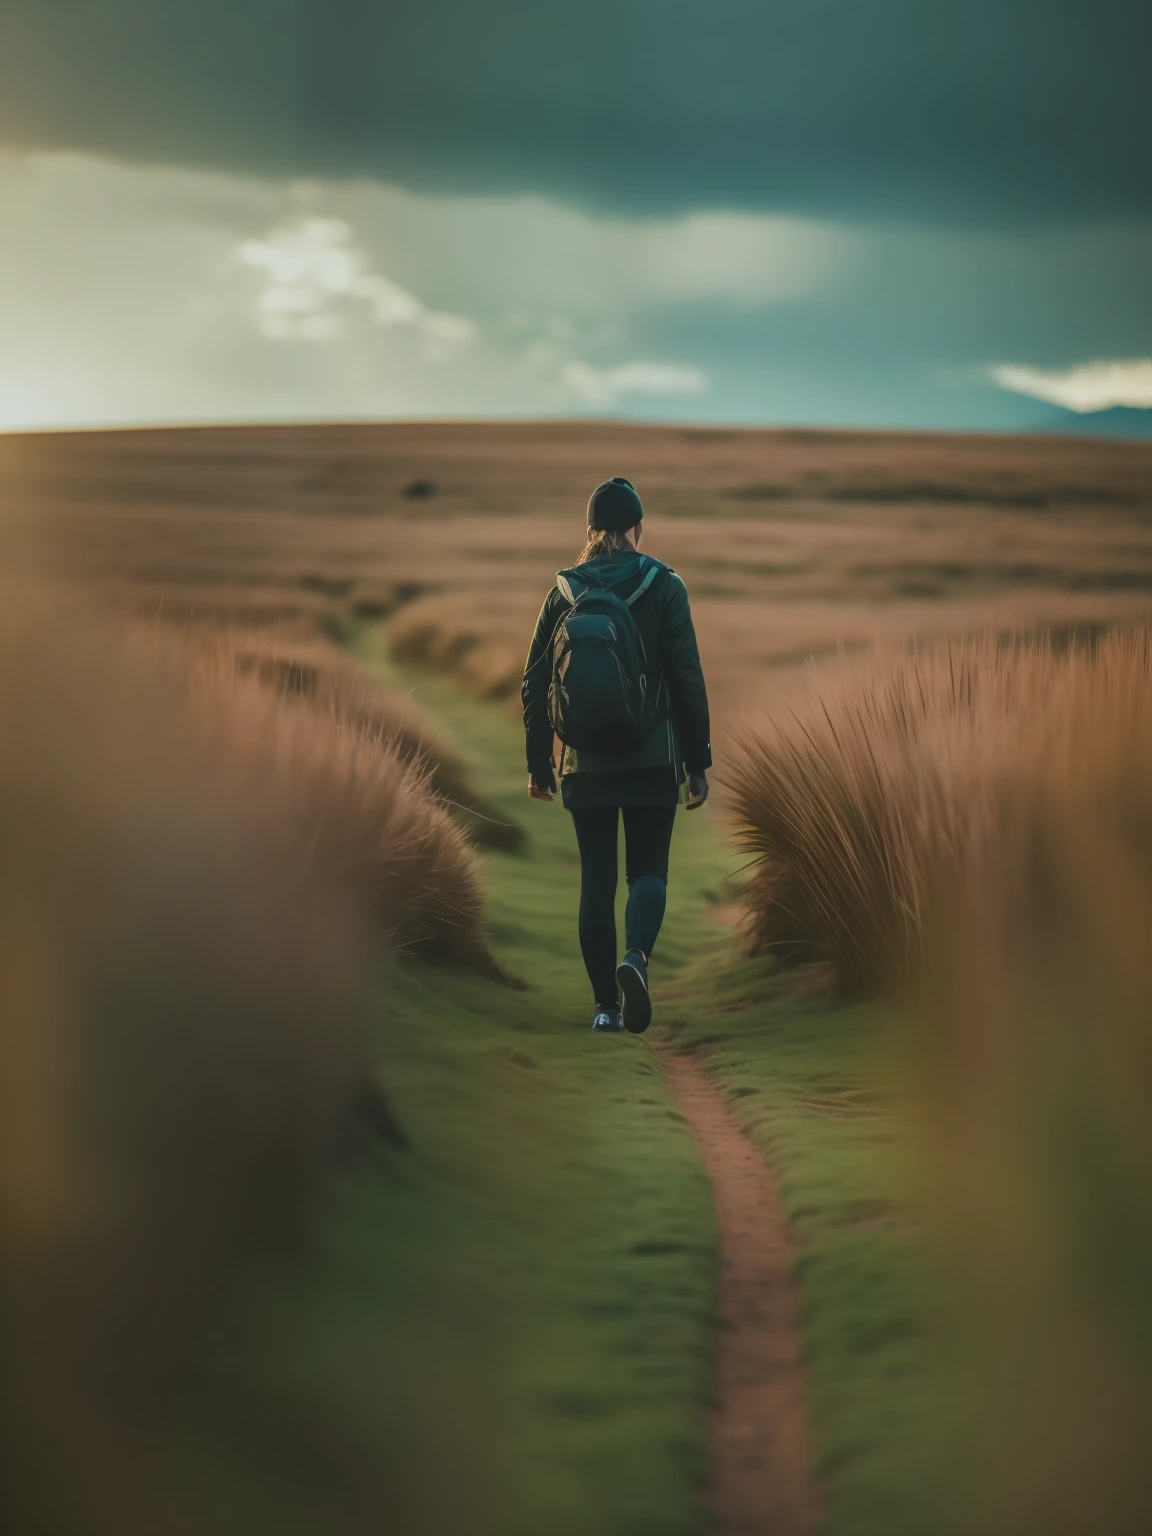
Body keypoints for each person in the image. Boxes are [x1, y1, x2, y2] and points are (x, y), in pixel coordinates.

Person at [521, 477, 711, 1034]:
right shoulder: (665, 585)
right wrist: (697, 761)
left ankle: (605, 1007)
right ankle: (637, 959)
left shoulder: (563, 591)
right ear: (637, 530)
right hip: (653, 760)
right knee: (648, 870)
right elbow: (687, 679)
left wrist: (539, 765)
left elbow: (534, 684)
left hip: (585, 766)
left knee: (596, 882)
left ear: (590, 533)